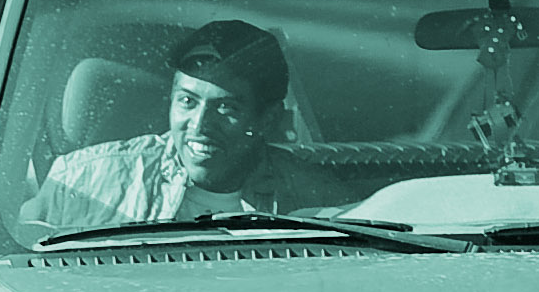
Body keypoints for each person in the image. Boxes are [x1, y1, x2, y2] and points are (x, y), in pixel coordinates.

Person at [22, 18, 342, 239]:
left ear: (267, 119)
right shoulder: (80, 184)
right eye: (187, 101)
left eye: (227, 107)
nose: (199, 126)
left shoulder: (319, 202)